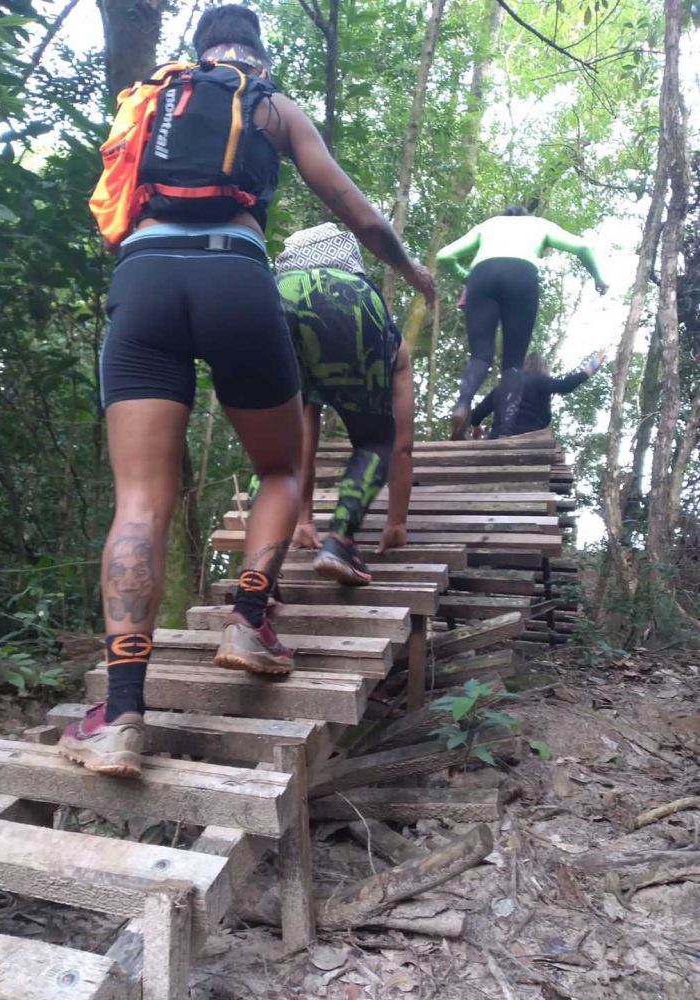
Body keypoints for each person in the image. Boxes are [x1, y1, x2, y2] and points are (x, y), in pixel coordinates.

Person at [58, 4, 434, 778]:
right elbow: (352, 208)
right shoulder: (270, 103)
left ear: (197, 51)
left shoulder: (153, 97)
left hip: (145, 282)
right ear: (255, 50)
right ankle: (250, 620)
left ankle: (121, 715)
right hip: (235, 274)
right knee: (282, 469)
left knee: (138, 501)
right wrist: (411, 272)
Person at [275, 224, 415, 585]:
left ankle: (262, 573)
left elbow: (304, 437)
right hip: (349, 302)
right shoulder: (381, 325)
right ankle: (339, 541)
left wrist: (304, 519)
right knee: (375, 441)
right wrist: (396, 521)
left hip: (276, 293)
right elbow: (401, 446)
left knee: (276, 446)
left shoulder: (287, 282)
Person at [436, 206, 608, 440]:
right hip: (522, 274)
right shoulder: (539, 225)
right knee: (513, 364)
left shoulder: (487, 226)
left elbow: (444, 256)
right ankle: (506, 433)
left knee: (479, 355)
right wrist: (599, 277)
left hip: (481, 275)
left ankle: (462, 404)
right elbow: (583, 247)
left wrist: (466, 277)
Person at [470, 349, 606, 438]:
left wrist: (476, 428)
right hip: (530, 439)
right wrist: (590, 368)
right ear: (543, 368)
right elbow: (565, 385)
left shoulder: (503, 387)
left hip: (498, 438)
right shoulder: (540, 381)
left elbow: (476, 415)